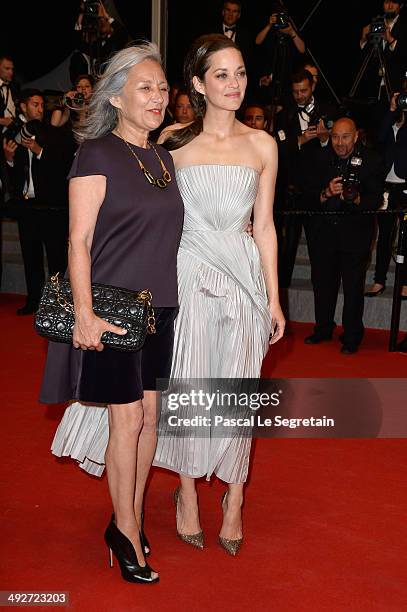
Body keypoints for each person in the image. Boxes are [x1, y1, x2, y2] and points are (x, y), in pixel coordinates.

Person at [39, 43, 184, 584]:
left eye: (163, 88)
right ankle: (124, 529)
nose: (157, 97)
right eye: (145, 87)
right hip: (112, 308)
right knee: (126, 421)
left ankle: (133, 515)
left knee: (149, 420)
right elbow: (77, 240)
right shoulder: (96, 153)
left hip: (160, 307)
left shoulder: (164, 160)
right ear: (117, 96)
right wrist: (83, 313)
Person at [154, 34, 285, 555]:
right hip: (188, 273)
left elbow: (267, 226)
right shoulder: (171, 143)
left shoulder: (263, 145)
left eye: (240, 73)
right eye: (222, 75)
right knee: (189, 382)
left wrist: (274, 298)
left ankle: (234, 498)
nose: (235, 84)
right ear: (198, 84)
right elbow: (155, 222)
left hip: (243, 277)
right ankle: (186, 492)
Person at [301, 118, 384, 354]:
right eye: (335, 136)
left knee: (353, 288)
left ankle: (352, 336)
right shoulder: (318, 158)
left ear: (356, 136)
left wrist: (356, 198)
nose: (339, 142)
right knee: (322, 285)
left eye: (345, 137)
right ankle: (323, 328)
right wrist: (325, 193)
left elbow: (376, 198)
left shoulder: (372, 161)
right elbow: (305, 195)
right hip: (323, 234)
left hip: (355, 235)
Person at [3, 89, 76, 315]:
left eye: (42, 104)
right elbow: (13, 176)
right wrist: (9, 159)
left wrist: (39, 151)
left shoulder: (52, 133)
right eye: (35, 104)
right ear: (23, 107)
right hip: (27, 206)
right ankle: (33, 300)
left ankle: (57, 303)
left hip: (52, 206)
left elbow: (62, 166)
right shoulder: (14, 132)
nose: (40, 108)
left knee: (56, 259)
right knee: (31, 256)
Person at [365, 88, 407, 299]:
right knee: (384, 236)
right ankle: (379, 280)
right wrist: (391, 109)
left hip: (406, 185)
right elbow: (379, 139)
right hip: (387, 186)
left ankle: (406, 282)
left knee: (406, 236)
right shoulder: (390, 122)